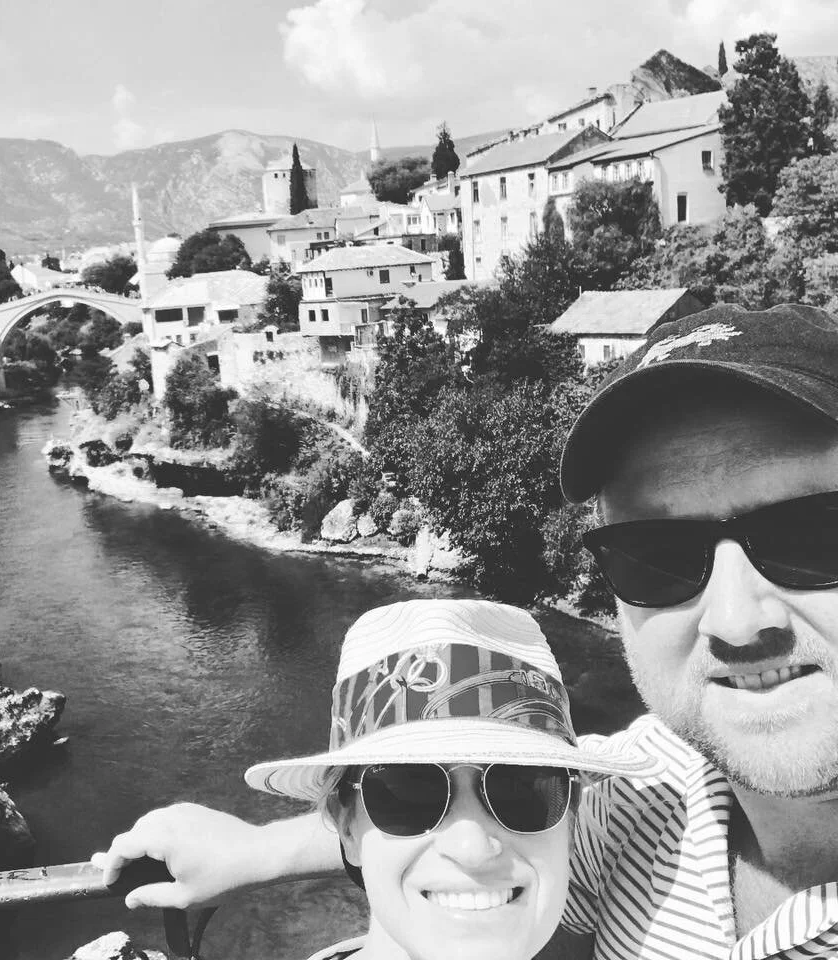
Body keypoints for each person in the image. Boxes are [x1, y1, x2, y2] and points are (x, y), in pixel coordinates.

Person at [96, 303, 838, 958]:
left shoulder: (627, 794)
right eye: (657, 557)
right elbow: (475, 796)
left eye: (815, 535)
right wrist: (255, 851)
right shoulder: (647, 794)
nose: (738, 621)